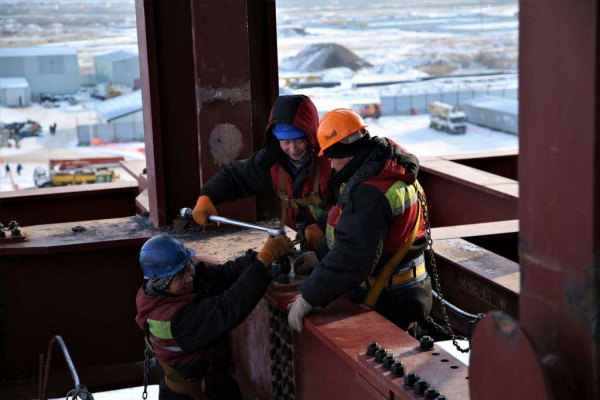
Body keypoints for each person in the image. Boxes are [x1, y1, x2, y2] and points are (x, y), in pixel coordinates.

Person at [287, 108, 432, 334]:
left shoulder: (371, 191)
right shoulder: (384, 165)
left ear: (348, 151)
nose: (332, 166)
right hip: (404, 289)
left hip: (388, 299)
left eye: (333, 157)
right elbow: (350, 225)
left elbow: (354, 256)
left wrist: (309, 297)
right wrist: (321, 254)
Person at [135, 234, 294, 399]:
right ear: (163, 282)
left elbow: (224, 274)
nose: (189, 278)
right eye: (180, 276)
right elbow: (228, 308)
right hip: (196, 394)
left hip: (213, 387)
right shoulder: (176, 319)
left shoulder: (162, 292)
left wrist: (260, 257)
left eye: (188, 268)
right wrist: (263, 263)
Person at [192, 95, 332, 251]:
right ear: (276, 139)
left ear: (311, 134)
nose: (293, 149)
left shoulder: (331, 160)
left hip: (340, 241)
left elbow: (353, 204)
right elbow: (237, 177)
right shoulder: (272, 161)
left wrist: (322, 226)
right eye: (285, 141)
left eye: (299, 140)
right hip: (305, 241)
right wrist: (207, 196)